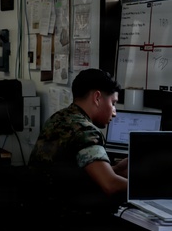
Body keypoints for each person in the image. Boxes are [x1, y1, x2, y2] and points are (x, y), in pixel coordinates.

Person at [29, 68, 129, 205]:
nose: (114, 113)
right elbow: (110, 185)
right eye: (113, 103)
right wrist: (153, 186)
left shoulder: (59, 117)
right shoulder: (85, 130)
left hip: (38, 207)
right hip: (65, 213)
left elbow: (73, 173)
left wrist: (116, 169)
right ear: (97, 98)